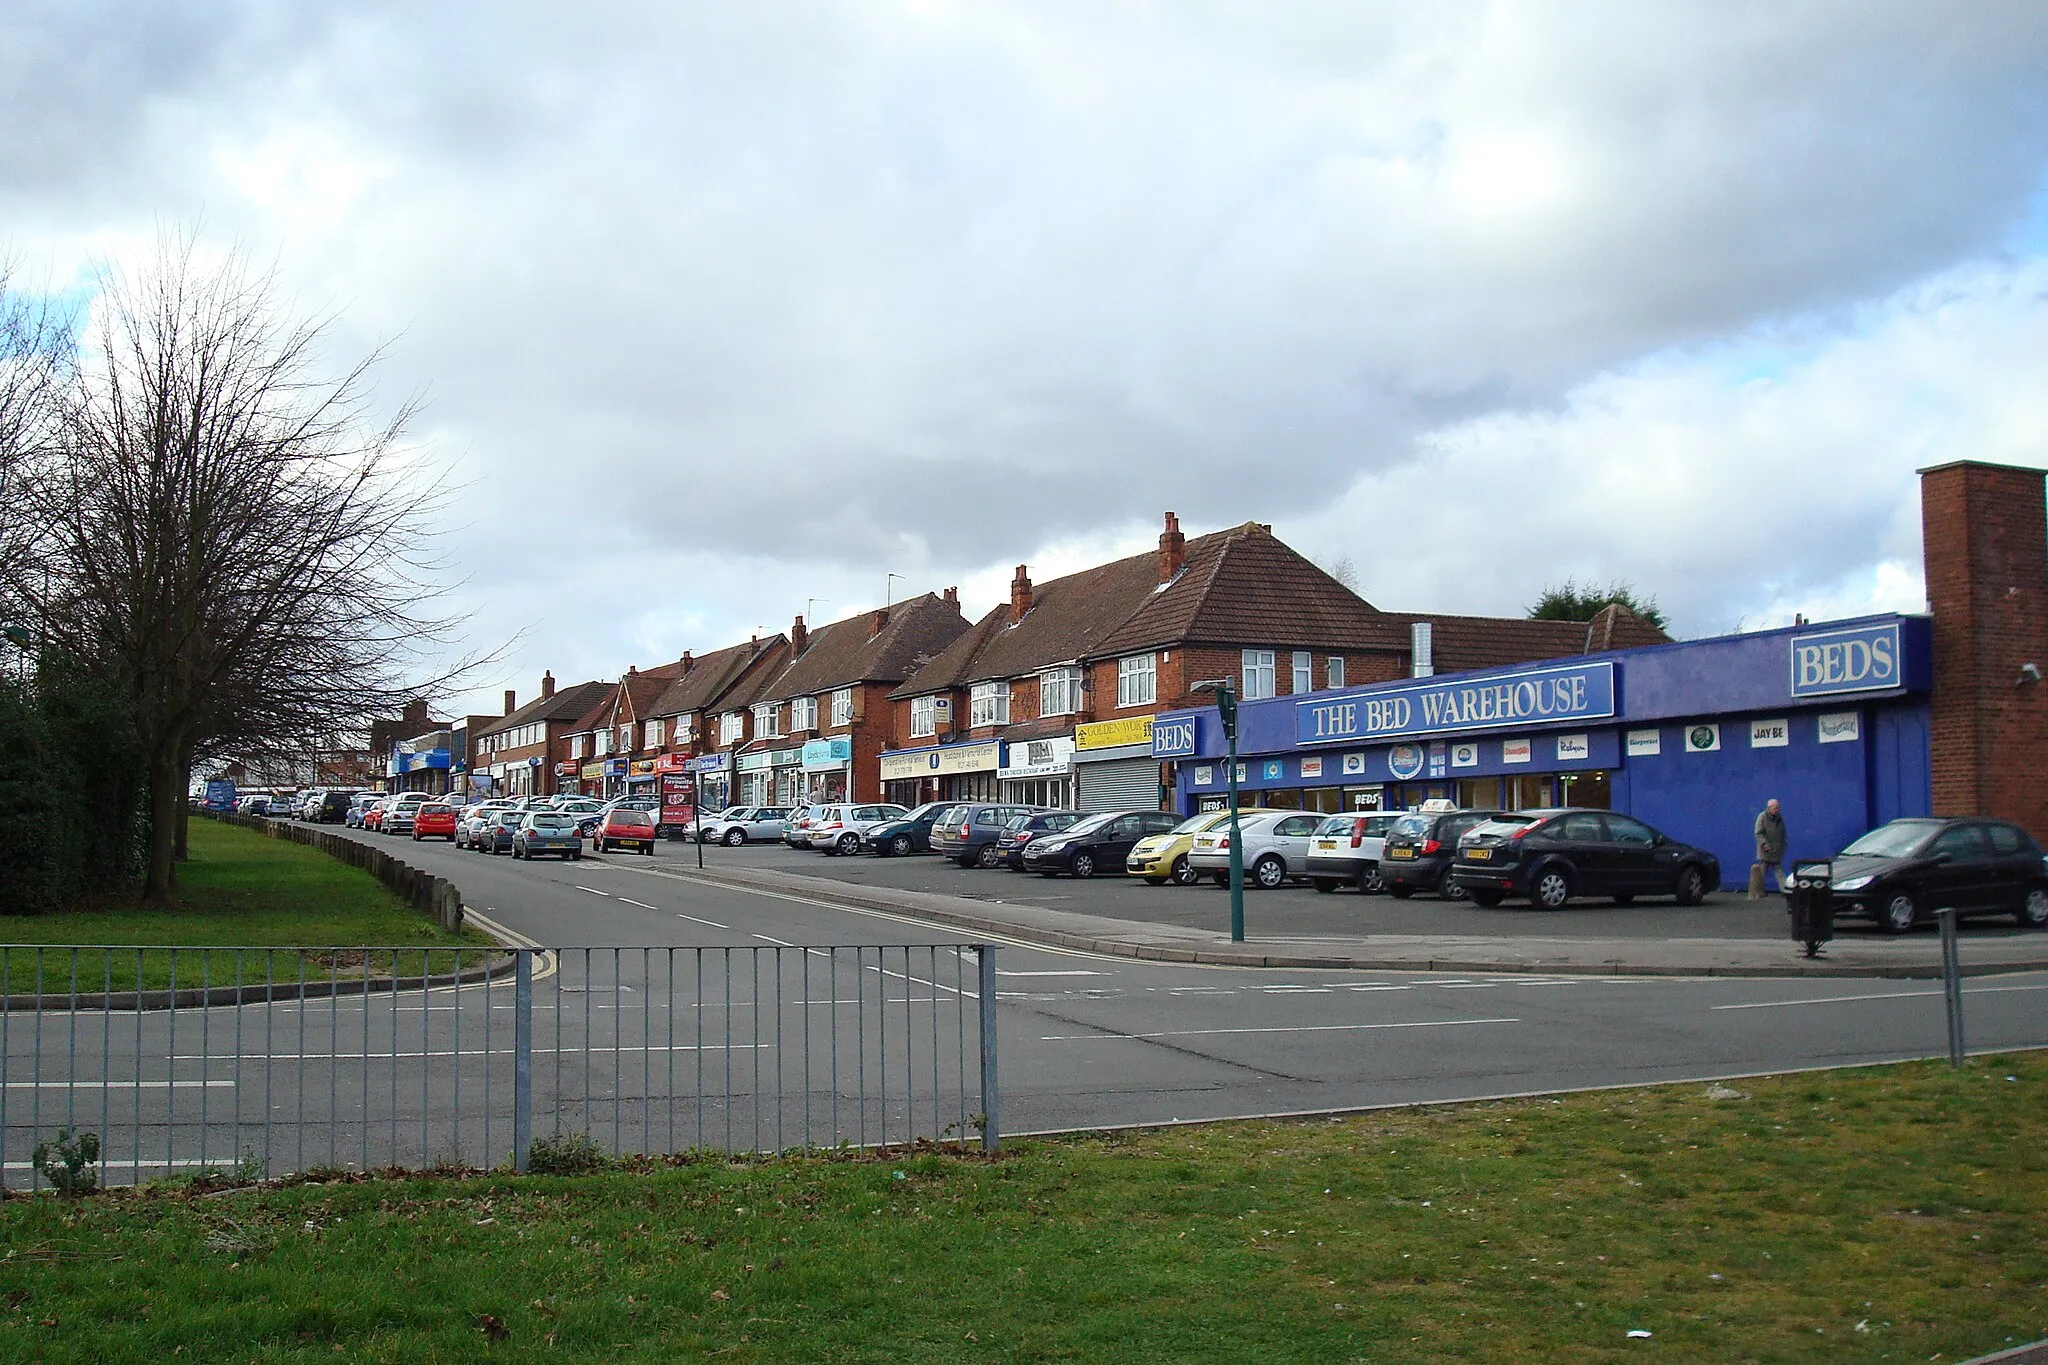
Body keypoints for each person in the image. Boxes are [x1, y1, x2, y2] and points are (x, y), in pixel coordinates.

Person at [1752, 798, 1788, 899]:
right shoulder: (1762, 817)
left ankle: (1785, 890)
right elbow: (1758, 833)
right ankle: (1758, 892)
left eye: (1778, 808)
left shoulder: (1779, 818)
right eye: (1775, 808)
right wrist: (1765, 845)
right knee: (1762, 872)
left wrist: (1783, 845)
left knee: (1779, 871)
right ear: (1769, 808)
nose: (1777, 810)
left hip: (1776, 850)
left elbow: (1782, 832)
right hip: (1765, 851)